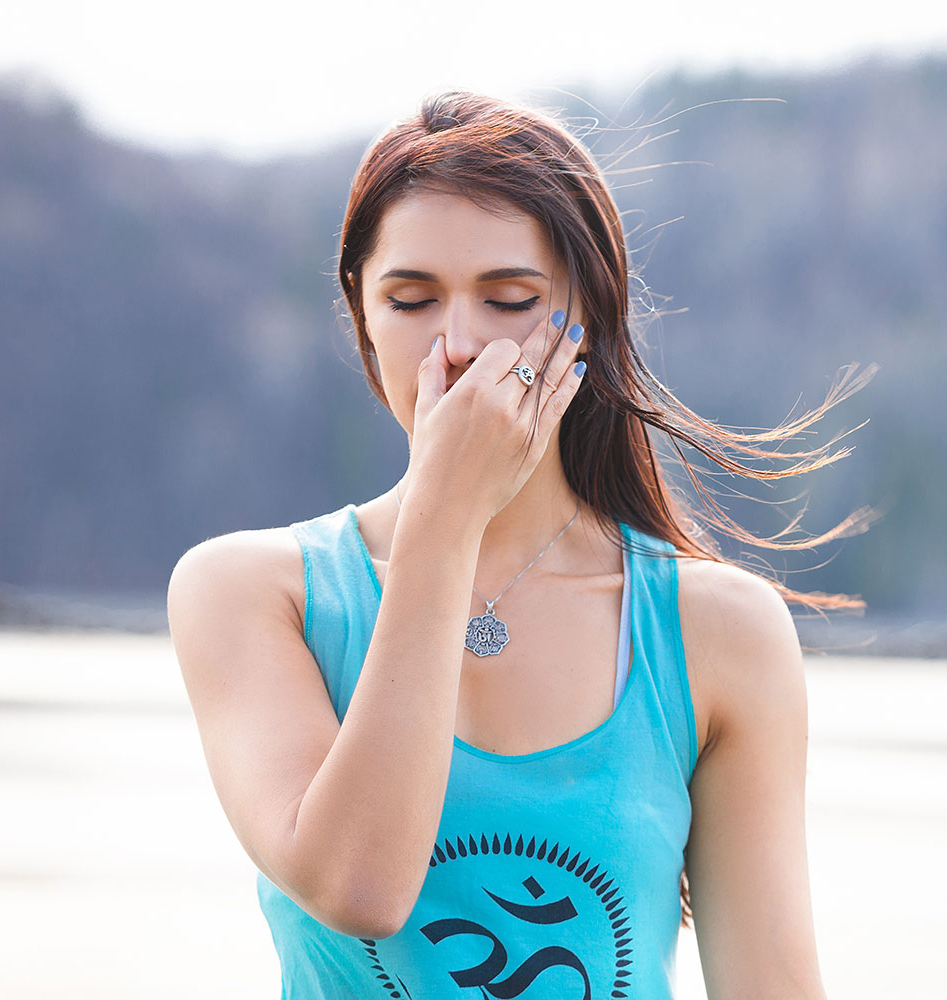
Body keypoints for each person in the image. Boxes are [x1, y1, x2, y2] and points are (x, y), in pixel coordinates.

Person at [167, 91, 872, 999]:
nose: (458, 346)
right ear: (361, 314)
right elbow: (360, 884)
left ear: (590, 317)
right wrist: (445, 524)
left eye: (509, 299)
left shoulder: (717, 631)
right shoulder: (253, 593)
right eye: (411, 299)